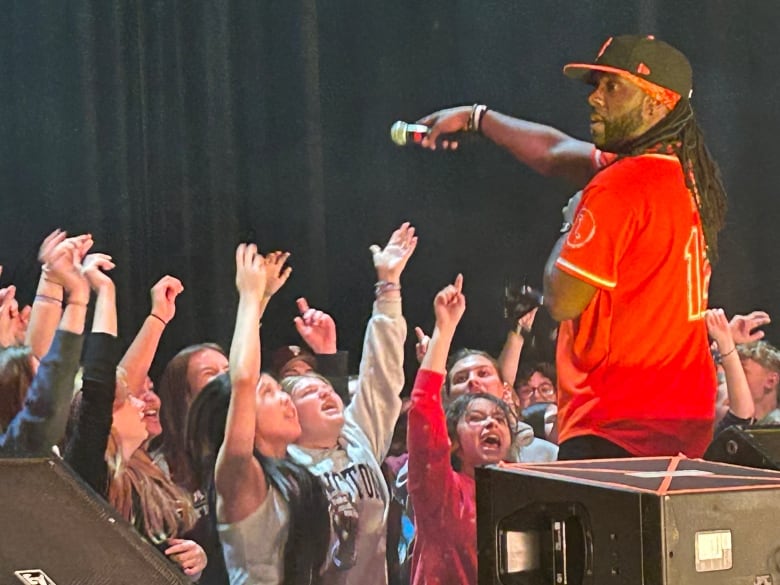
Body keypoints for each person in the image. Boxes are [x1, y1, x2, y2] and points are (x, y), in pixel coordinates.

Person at [417, 34, 728, 459]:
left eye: (612, 87)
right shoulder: (683, 175)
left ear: (659, 102)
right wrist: (477, 118)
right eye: (595, 86)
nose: (595, 99)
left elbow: (562, 299)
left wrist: (572, 218)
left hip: (616, 428)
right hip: (681, 423)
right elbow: (556, 152)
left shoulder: (620, 185)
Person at [281, 222, 416, 585]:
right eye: (309, 392)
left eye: (325, 386)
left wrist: (388, 286)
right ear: (287, 415)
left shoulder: (358, 437)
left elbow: (382, 372)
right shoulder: (284, 469)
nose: (326, 392)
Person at [214, 243, 329, 585]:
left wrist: (261, 299)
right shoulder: (239, 476)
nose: (285, 398)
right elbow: (244, 380)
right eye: (270, 393)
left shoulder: (292, 471)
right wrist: (249, 297)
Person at [407, 274, 514, 585]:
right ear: (452, 441)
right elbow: (423, 408)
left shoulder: (524, 491)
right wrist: (445, 330)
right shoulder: (440, 492)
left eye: (497, 417)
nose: (491, 423)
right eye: (476, 418)